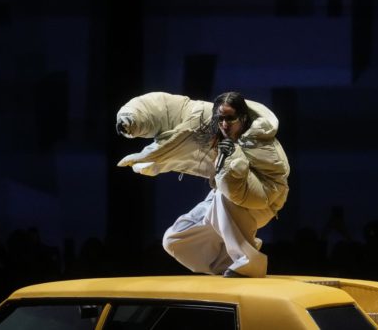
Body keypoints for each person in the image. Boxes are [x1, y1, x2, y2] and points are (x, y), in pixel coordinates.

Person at [116, 91, 290, 277]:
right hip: (226, 193)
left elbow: (271, 189)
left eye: (230, 119)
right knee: (175, 240)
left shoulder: (261, 141)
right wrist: (130, 118)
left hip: (263, 201)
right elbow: (166, 108)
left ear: (243, 117)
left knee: (225, 194)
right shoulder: (206, 120)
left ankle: (249, 262)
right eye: (220, 118)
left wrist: (232, 161)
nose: (224, 124)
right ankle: (228, 263)